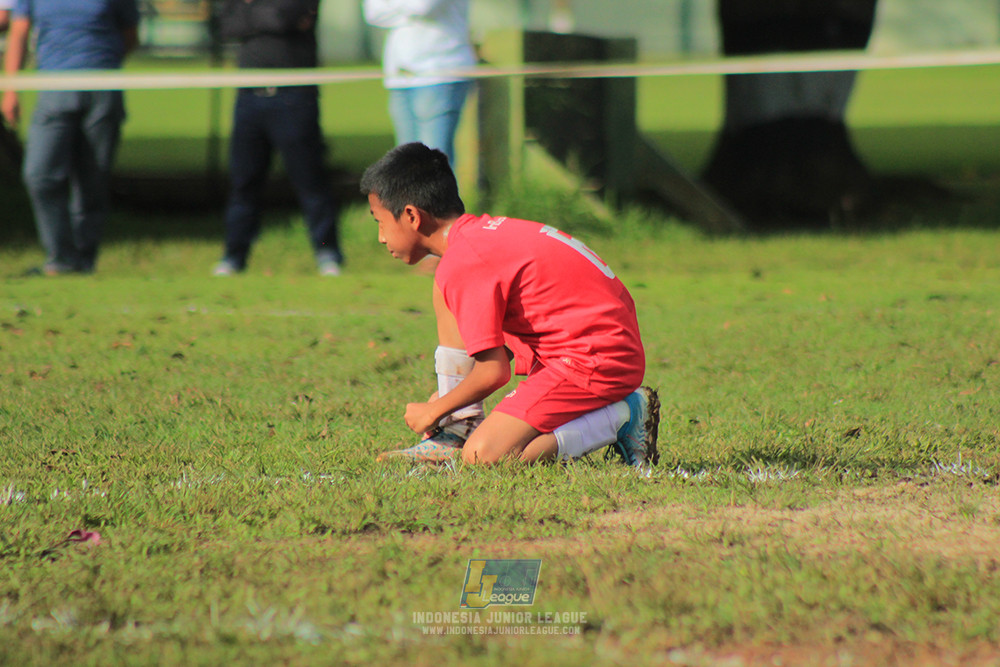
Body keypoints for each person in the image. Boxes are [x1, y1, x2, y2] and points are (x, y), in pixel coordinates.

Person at [360, 142, 660, 467]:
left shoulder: (465, 260)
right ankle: (455, 433)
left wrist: (436, 408)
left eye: (379, 221)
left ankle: (624, 414)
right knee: (443, 289)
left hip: (594, 360)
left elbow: (494, 371)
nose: (380, 237)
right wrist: (452, 404)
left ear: (411, 216)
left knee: (484, 457)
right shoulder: (475, 240)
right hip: (590, 346)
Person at [2, 0, 139, 275]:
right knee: (39, 174)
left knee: (92, 178)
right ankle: (61, 254)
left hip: (102, 90)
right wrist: (11, 89)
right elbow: (19, 33)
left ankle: (83, 259)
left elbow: (130, 36)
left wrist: (101, 65)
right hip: (53, 88)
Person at [213, 0, 343, 277]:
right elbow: (226, 25)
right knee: (244, 183)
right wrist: (266, 16)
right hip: (249, 96)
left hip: (293, 97)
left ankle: (326, 252)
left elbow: (282, 18)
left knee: (310, 182)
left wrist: (250, 11)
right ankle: (234, 256)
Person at [363, 0, 476, 166]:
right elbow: (373, 13)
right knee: (406, 163)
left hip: (440, 73)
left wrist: (393, 8)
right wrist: (408, 12)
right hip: (401, 76)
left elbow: (423, 6)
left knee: (433, 162)